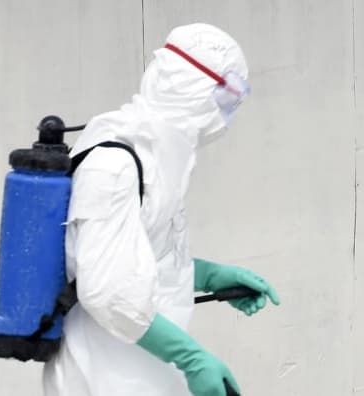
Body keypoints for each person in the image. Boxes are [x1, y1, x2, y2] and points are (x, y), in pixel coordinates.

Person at [42, 23, 280, 396]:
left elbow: (139, 257)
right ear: (196, 90)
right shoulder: (115, 164)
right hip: (100, 374)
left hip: (141, 366)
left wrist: (210, 276)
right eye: (228, 96)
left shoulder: (157, 158)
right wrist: (192, 358)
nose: (228, 112)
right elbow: (108, 290)